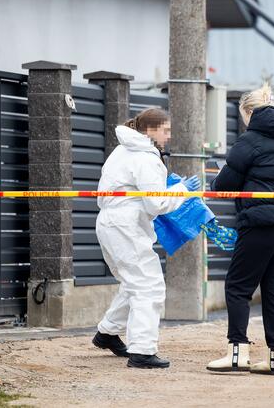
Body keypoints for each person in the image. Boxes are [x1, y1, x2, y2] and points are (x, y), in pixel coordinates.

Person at [206, 82, 274, 376]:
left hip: (260, 223)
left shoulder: (249, 141)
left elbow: (224, 185)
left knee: (238, 287)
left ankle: (237, 353)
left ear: (249, 112)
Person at [91, 108, 201, 369]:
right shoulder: (145, 157)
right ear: (151, 130)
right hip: (126, 227)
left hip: (110, 223)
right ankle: (142, 352)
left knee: (133, 283)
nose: (169, 136)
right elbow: (156, 203)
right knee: (148, 286)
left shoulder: (121, 151)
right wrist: (182, 190)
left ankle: (107, 333)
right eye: (166, 130)